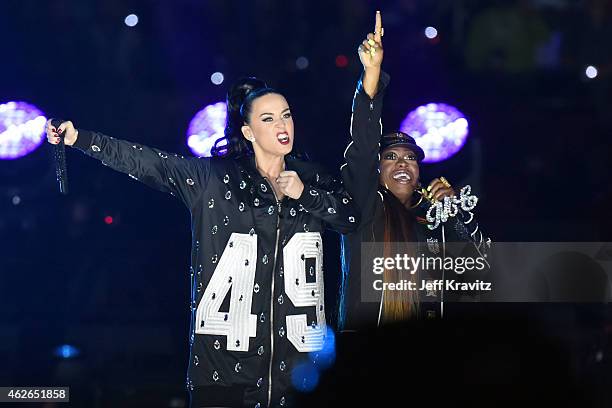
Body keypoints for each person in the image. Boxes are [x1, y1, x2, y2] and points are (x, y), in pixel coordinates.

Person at [46, 77, 358, 407]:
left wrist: (304, 194)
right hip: (223, 373)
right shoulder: (212, 179)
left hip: (300, 375)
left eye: (286, 115)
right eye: (268, 119)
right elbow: (149, 162)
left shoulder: (313, 179)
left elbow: (353, 219)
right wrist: (80, 138)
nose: (282, 125)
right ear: (248, 132)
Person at [337, 11, 491, 331]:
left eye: (410, 158)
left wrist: (456, 216)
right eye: (390, 157)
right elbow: (363, 145)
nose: (402, 163)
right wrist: (372, 73)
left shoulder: (433, 223)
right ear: (376, 171)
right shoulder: (364, 209)